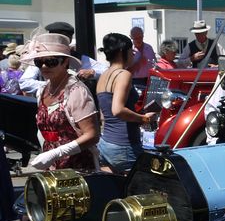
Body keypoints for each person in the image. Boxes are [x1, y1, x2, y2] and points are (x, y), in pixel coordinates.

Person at [21, 33, 100, 171]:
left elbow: (92, 135)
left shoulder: (76, 91)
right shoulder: (43, 90)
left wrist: (56, 153)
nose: (44, 66)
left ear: (65, 62)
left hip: (77, 169)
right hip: (52, 168)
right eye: (39, 62)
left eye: (51, 62)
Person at [95, 33, 157, 172]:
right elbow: (117, 110)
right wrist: (144, 118)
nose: (133, 55)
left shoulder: (103, 76)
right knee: (138, 187)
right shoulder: (123, 75)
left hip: (106, 143)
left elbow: (103, 115)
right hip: (124, 145)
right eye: (131, 51)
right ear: (124, 51)